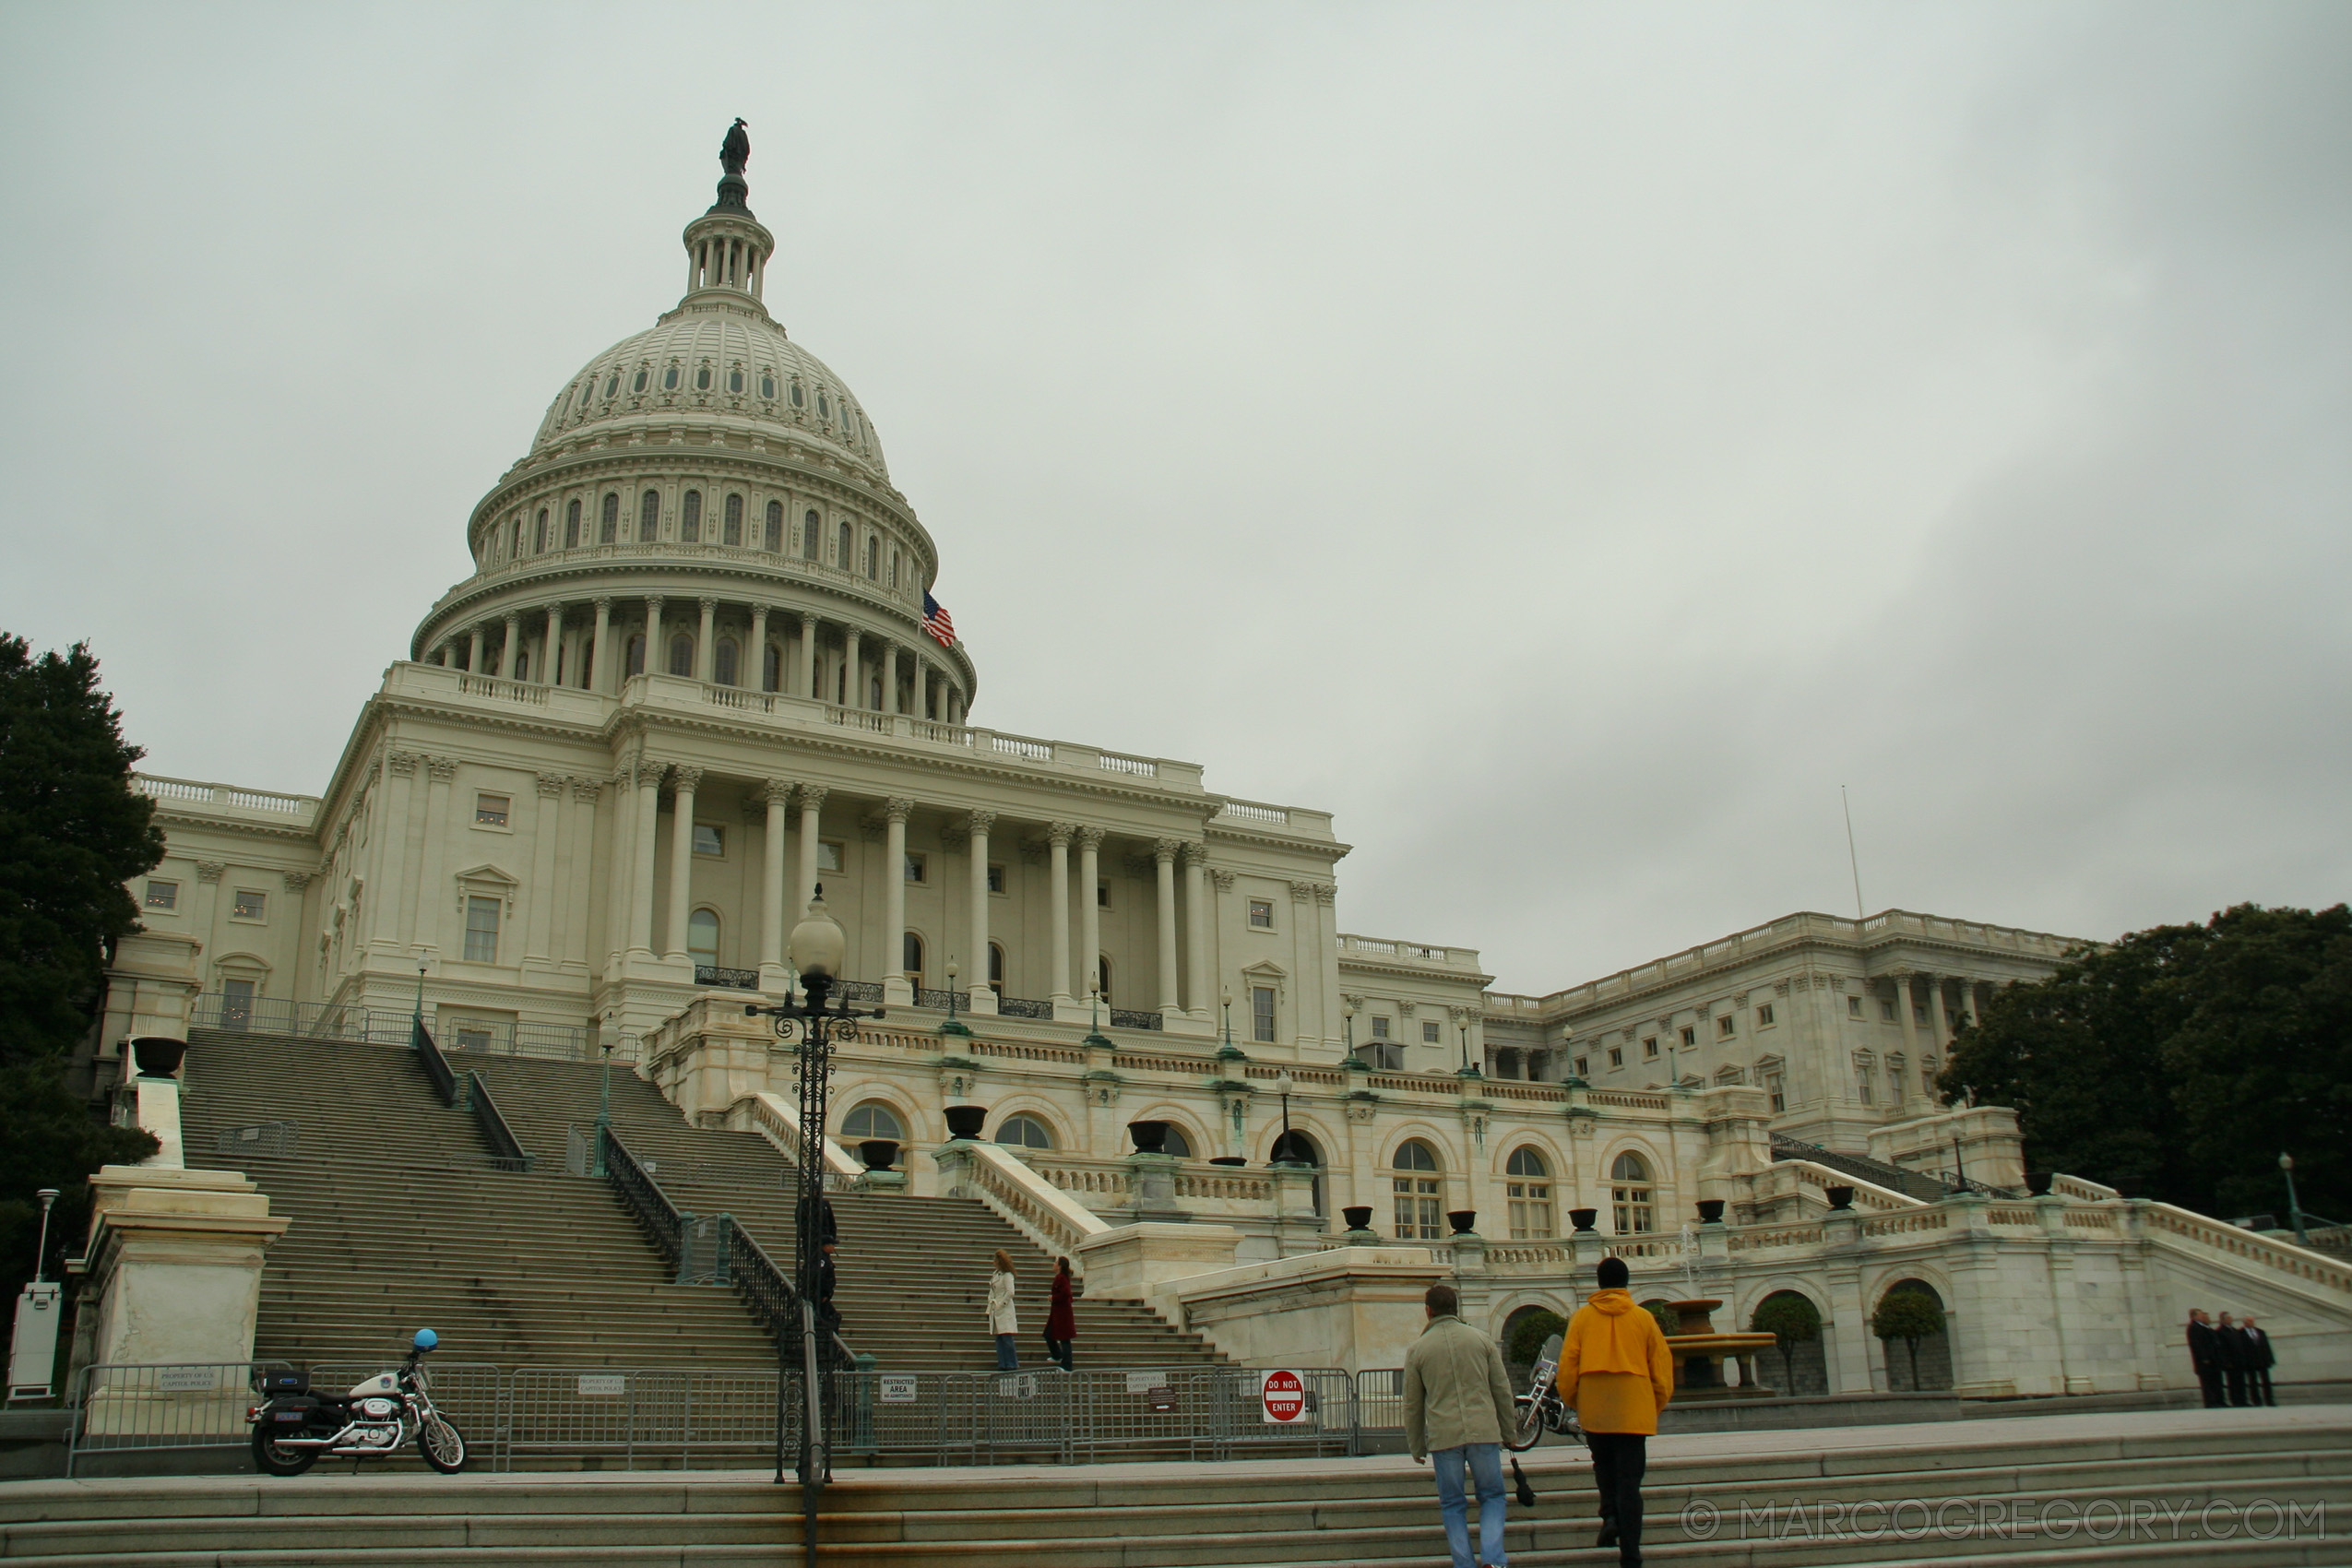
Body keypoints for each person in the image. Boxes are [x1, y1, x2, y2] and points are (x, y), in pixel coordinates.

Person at [1558, 1257, 1674, 1568]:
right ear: (1626, 1282)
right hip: (1634, 1408)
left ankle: (1609, 1515)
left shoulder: (1581, 1319)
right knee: (1630, 1482)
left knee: (1603, 1467)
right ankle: (1631, 1553)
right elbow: (1661, 1370)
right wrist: (1654, 1404)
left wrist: (1576, 1401)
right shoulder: (1643, 1318)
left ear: (1598, 1283)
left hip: (1596, 1406)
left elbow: (1567, 1369)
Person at [1402, 1281, 1516, 1568]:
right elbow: (1501, 1390)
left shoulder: (1417, 1350)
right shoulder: (1482, 1340)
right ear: (1456, 1308)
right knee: (1492, 1495)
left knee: (1452, 1504)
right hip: (1483, 1431)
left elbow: (1413, 1404)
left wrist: (1417, 1445)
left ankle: (1464, 1564)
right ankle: (1493, 1559)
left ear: (1428, 1311)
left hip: (1445, 1435)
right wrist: (1509, 1432)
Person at [987, 1250, 1019, 1371]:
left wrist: (1001, 1304)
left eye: (995, 1260)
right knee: (999, 1337)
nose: (993, 1263)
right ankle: (1002, 1362)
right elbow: (993, 1289)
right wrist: (991, 1300)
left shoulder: (1007, 1276)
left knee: (1006, 1337)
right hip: (996, 1308)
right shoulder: (996, 1275)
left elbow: (1010, 1292)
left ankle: (1011, 1362)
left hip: (1004, 1309)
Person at [2186, 1310, 2226, 1408]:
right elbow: (2197, 1345)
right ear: (2194, 1317)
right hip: (2204, 1362)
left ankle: (2219, 1400)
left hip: (2213, 1359)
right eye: (2201, 1315)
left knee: (2216, 1382)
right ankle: (2211, 1402)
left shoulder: (2206, 1327)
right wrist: (2204, 1357)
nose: (2203, 1317)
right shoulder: (2193, 1328)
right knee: (2207, 1383)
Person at [1044, 1257, 1076, 1372]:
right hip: (1059, 1313)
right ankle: (1057, 1355)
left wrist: (1053, 1298)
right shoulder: (1062, 1277)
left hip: (1062, 1314)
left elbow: (1066, 1293)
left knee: (1064, 1339)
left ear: (1060, 1266)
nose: (1053, 1264)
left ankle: (1067, 1364)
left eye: (1056, 1263)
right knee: (1049, 1333)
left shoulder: (1061, 1278)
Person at [2216, 1312, 2251, 1407]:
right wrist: (2226, 1361)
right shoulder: (2220, 1332)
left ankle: (2243, 1400)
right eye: (2228, 1318)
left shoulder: (2235, 1331)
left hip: (2239, 1360)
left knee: (2241, 1381)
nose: (2230, 1320)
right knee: (2233, 1383)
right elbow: (2222, 1348)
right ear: (2223, 1320)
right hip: (2231, 1362)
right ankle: (2236, 1400)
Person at [2240, 1315, 2276, 1406]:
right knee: (2253, 1382)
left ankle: (2269, 1400)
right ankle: (2256, 1400)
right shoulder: (2240, 1333)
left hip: (2262, 1360)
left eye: (2252, 1321)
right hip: (2250, 1361)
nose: (2251, 1323)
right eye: (2248, 1321)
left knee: (2266, 1381)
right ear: (2244, 1323)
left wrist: (2270, 1359)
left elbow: (2266, 1347)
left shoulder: (2260, 1332)